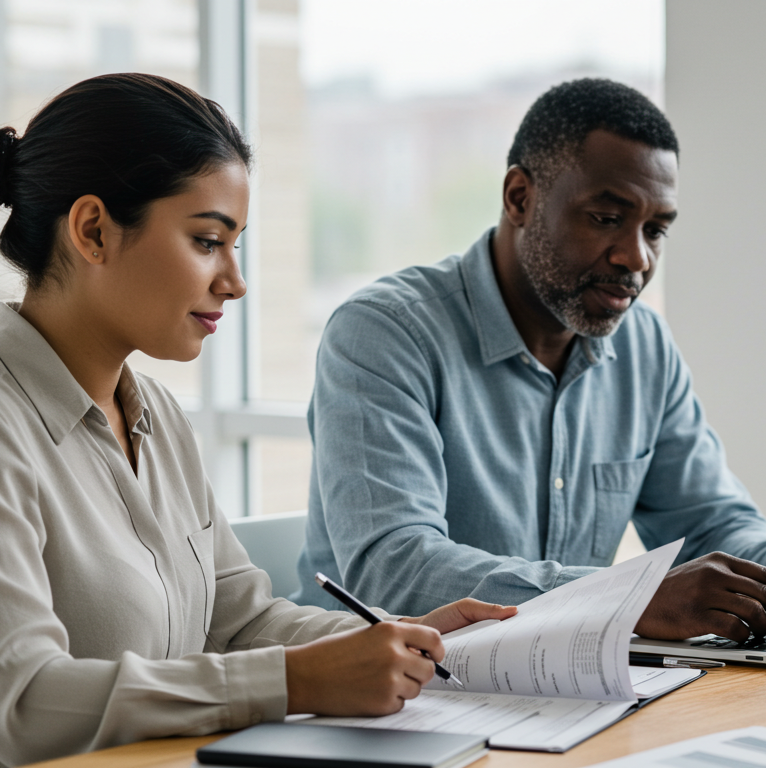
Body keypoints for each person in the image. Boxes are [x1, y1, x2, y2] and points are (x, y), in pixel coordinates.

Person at [0, 73, 517, 767]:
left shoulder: (154, 414)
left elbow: (240, 621)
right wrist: (295, 680)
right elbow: (23, 702)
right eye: (208, 241)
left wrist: (395, 636)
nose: (234, 282)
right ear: (93, 230)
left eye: (236, 244)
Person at [292, 78, 766, 643]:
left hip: (563, 693)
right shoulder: (384, 333)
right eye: (606, 218)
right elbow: (395, 569)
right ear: (520, 197)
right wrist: (629, 598)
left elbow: (709, 521)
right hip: (388, 699)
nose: (635, 258)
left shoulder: (643, 345)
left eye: (656, 230)